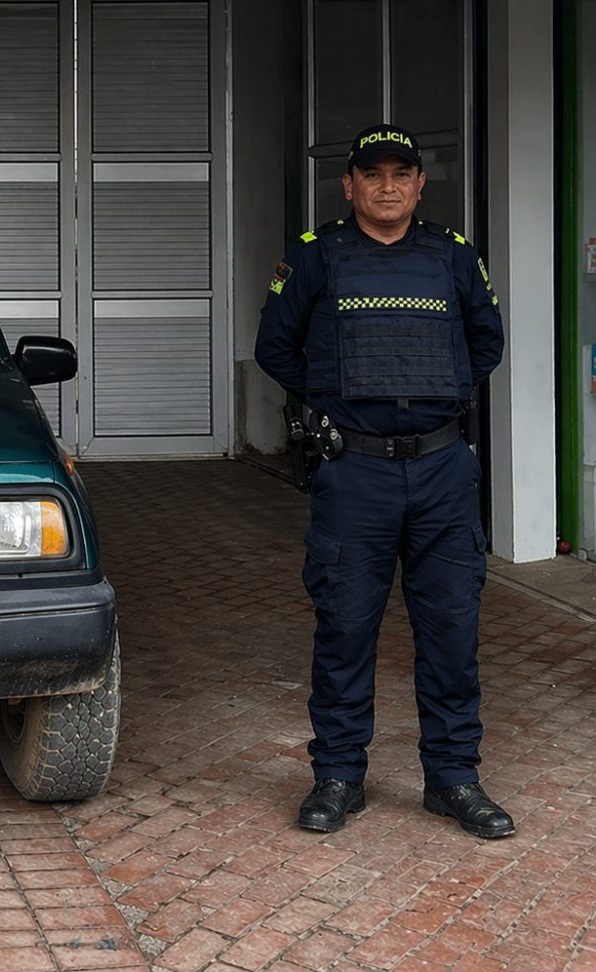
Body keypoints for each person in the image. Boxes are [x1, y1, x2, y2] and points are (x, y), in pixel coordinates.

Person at [255, 123, 510, 838]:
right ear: (350, 184)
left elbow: (486, 341)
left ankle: (454, 778)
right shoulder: (318, 255)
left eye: (402, 173)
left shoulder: (452, 255)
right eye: (374, 173)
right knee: (344, 629)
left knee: (453, 628)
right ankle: (338, 776)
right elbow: (274, 346)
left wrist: (438, 395)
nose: (388, 185)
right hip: (356, 471)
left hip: (441, 469)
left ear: (421, 184)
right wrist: (337, 400)